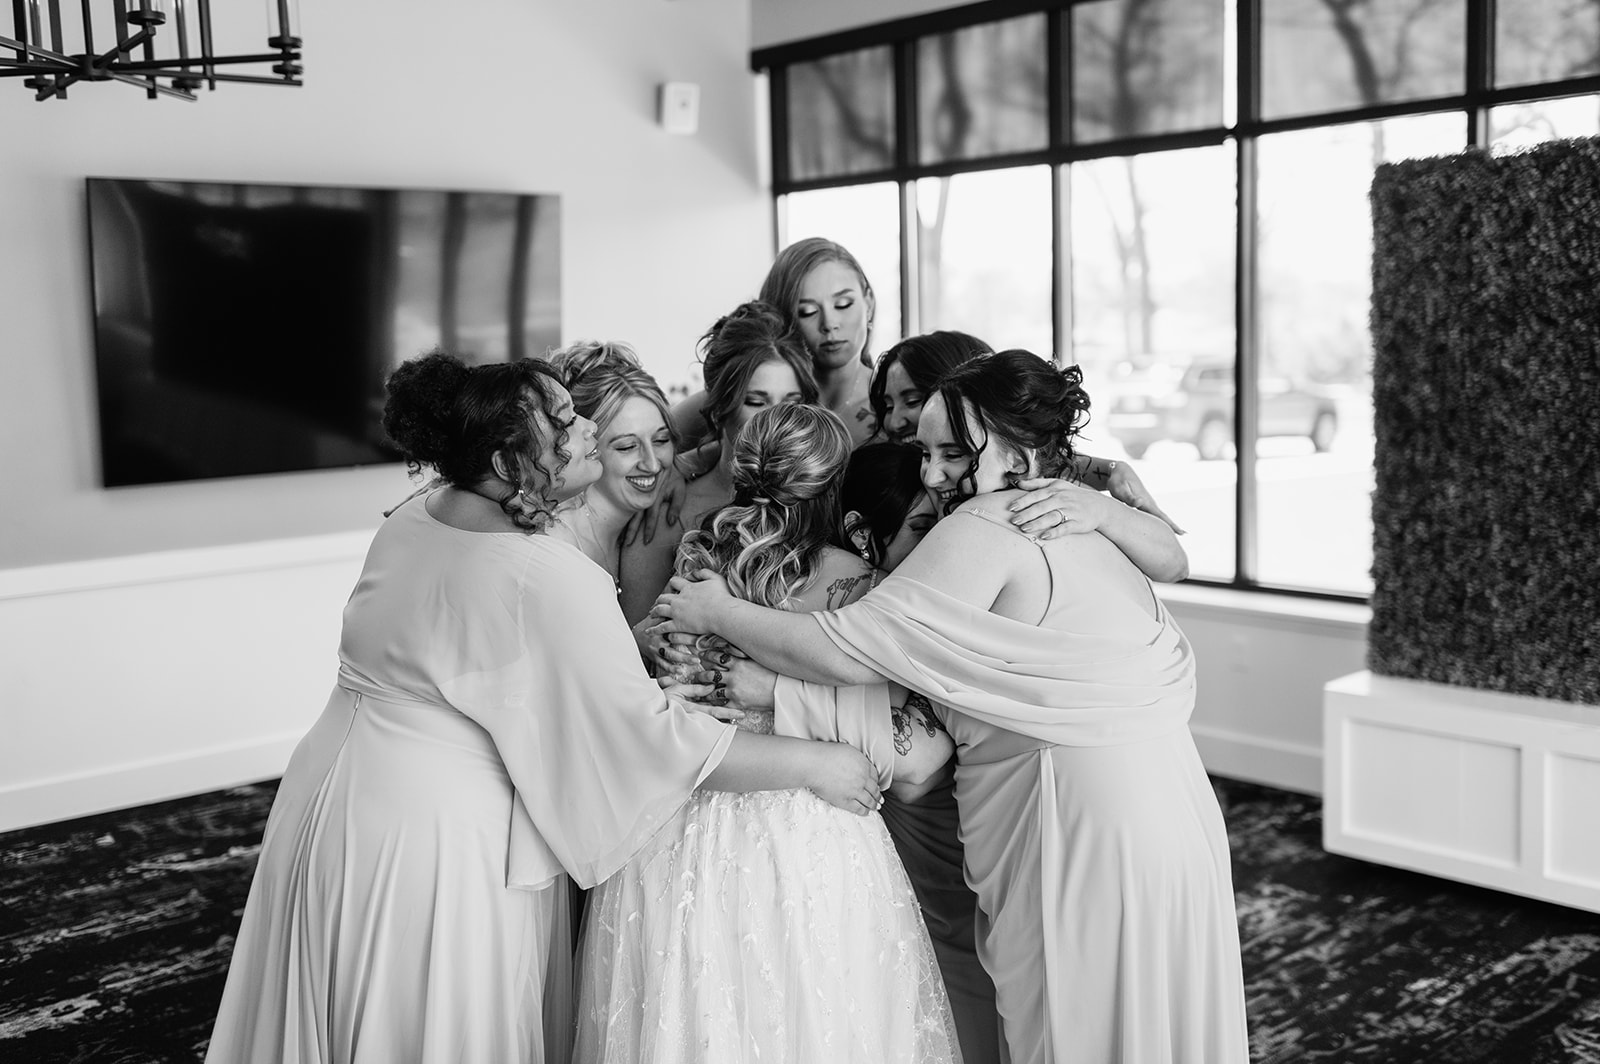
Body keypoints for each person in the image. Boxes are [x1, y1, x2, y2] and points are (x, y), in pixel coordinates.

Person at [202, 352, 882, 1064]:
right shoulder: (548, 572)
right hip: (436, 840)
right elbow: (651, 743)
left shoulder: (411, 518)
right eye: (562, 424)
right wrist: (816, 761)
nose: (584, 428)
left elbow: (481, 655)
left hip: (329, 796)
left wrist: (630, 653)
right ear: (507, 461)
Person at [657, 350, 1250, 1064]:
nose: (932, 475)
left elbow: (849, 648)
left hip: (1082, 817)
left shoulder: (986, 526)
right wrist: (1099, 491)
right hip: (1177, 807)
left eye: (950, 454)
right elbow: (1174, 558)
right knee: (1162, 1019)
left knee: (1082, 1025)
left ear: (1014, 452)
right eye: (923, 452)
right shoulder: (1079, 517)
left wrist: (718, 612)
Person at [573, 404, 962, 1064]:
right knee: (816, 1012)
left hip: (678, 825)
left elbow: (669, 698)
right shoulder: (858, 587)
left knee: (688, 1011)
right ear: (833, 486)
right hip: (804, 830)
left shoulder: (695, 561)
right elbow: (911, 737)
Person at [670, 237, 877, 449]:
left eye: (843, 304)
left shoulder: (892, 402)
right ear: (781, 319)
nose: (830, 323)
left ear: (868, 304)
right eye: (808, 312)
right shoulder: (735, 394)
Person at [545, 339, 684, 628]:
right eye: (627, 447)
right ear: (589, 447)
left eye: (660, 441)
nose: (652, 464)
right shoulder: (557, 544)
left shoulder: (659, 520)